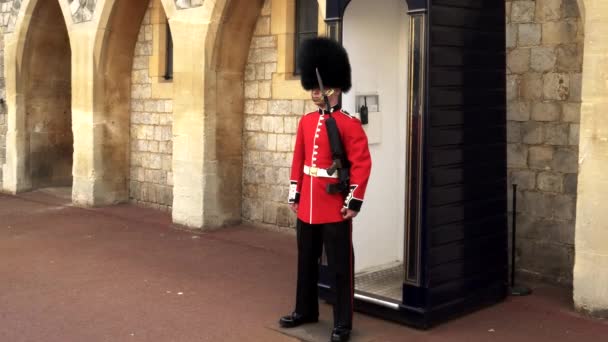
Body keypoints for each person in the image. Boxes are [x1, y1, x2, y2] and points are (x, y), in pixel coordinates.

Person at [278, 37, 372, 342]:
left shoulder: (348, 124)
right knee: (306, 260)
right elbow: (299, 160)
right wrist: (295, 193)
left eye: (319, 88)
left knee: (340, 267)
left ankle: (342, 322)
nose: (315, 94)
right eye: (313, 89)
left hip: (333, 204)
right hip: (308, 204)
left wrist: (354, 200)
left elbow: (361, 164)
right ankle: (305, 309)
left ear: (333, 88)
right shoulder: (306, 122)